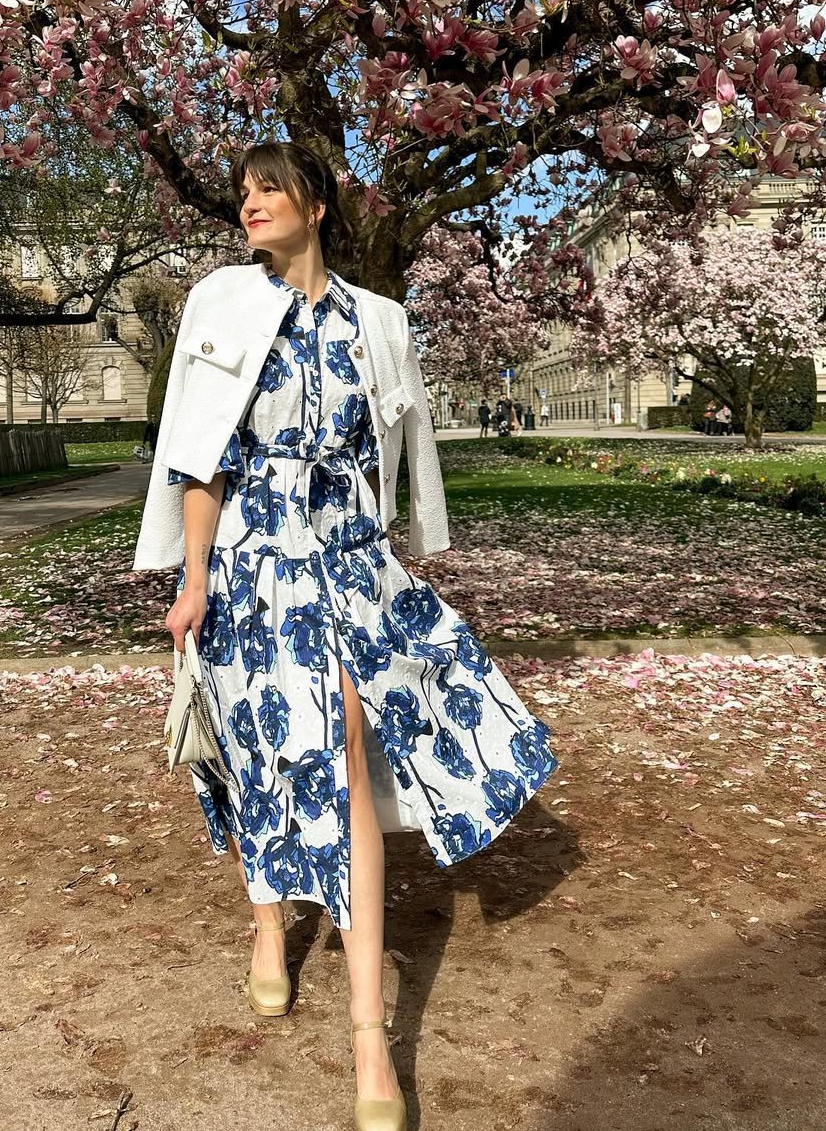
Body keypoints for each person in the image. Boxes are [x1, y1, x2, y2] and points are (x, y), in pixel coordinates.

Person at [131, 141, 560, 1131]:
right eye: (244, 192)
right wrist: (193, 582)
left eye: (271, 188)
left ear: (317, 204)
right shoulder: (221, 304)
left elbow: (405, 453)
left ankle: (369, 1032)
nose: (251, 203)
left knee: (351, 747)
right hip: (253, 557)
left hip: (353, 554)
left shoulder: (380, 321)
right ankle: (268, 923)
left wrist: (415, 552)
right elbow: (203, 459)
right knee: (264, 749)